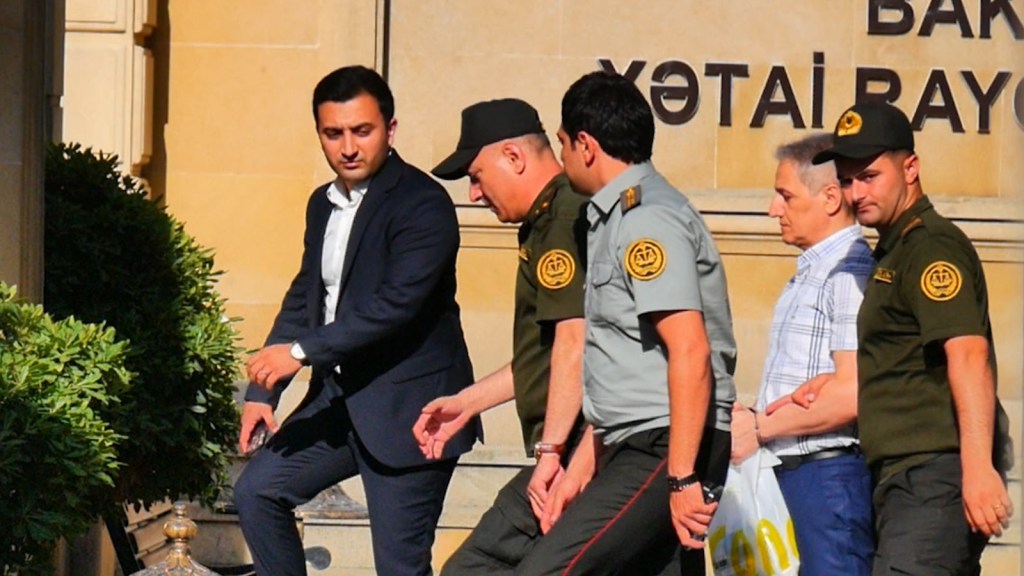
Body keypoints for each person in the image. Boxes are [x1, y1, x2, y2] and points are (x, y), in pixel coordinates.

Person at [232, 65, 480, 576]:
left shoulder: (423, 203)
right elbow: (307, 295)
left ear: (390, 130)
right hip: (338, 402)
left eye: (361, 131)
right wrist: (263, 392)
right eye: (333, 133)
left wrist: (297, 354)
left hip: (411, 411)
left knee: (399, 568)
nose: (347, 146)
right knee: (257, 493)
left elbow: (395, 305)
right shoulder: (322, 204)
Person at [504, 70, 737, 575]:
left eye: (563, 145)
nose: (562, 161)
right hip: (638, 440)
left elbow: (690, 351)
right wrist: (578, 470)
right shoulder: (613, 218)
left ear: (586, 145)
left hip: (664, 443)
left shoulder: (645, 220)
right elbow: (625, 369)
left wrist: (679, 478)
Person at [812, 101, 1014, 575]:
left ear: (911, 168)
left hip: (932, 477)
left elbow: (967, 353)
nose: (855, 192)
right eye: (846, 179)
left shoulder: (930, 248)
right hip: (905, 480)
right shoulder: (896, 250)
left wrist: (978, 467)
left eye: (869, 176)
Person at [412, 98, 588, 574]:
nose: (473, 194)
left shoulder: (563, 218)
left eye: (476, 175)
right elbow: (547, 354)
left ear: (514, 157)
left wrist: (551, 452)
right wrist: (469, 402)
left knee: (475, 567)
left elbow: (577, 342)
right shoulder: (546, 220)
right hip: (567, 452)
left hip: (577, 453)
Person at [730, 133, 875, 575]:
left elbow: (851, 393)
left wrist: (758, 425)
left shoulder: (848, 274)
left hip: (826, 481)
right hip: (792, 477)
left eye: (785, 195)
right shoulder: (812, 272)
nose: (774, 209)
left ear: (831, 198)